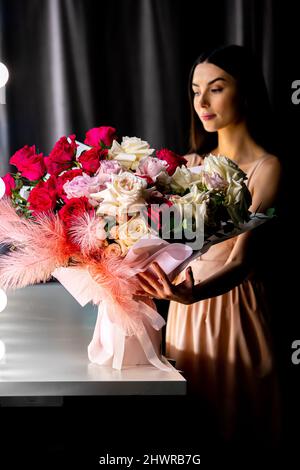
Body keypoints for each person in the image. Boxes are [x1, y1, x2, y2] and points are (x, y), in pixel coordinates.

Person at [137, 45, 282, 443]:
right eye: (196, 89)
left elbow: (242, 262)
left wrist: (193, 295)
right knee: (191, 430)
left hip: (234, 309)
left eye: (216, 89)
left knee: (237, 424)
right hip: (185, 314)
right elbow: (162, 247)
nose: (201, 101)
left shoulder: (267, 168)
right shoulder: (187, 165)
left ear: (246, 91)